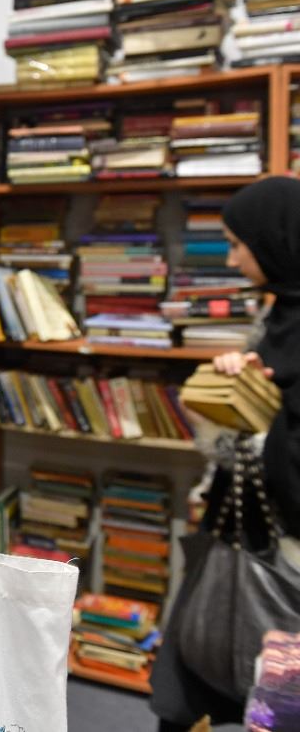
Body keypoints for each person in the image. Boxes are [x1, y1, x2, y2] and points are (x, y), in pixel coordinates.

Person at [150, 176, 300, 731]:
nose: (233, 261)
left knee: (276, 702)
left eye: (239, 245)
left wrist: (261, 423)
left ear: (275, 241)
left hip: (286, 554)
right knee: (195, 675)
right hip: (237, 535)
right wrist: (239, 389)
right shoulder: (278, 316)